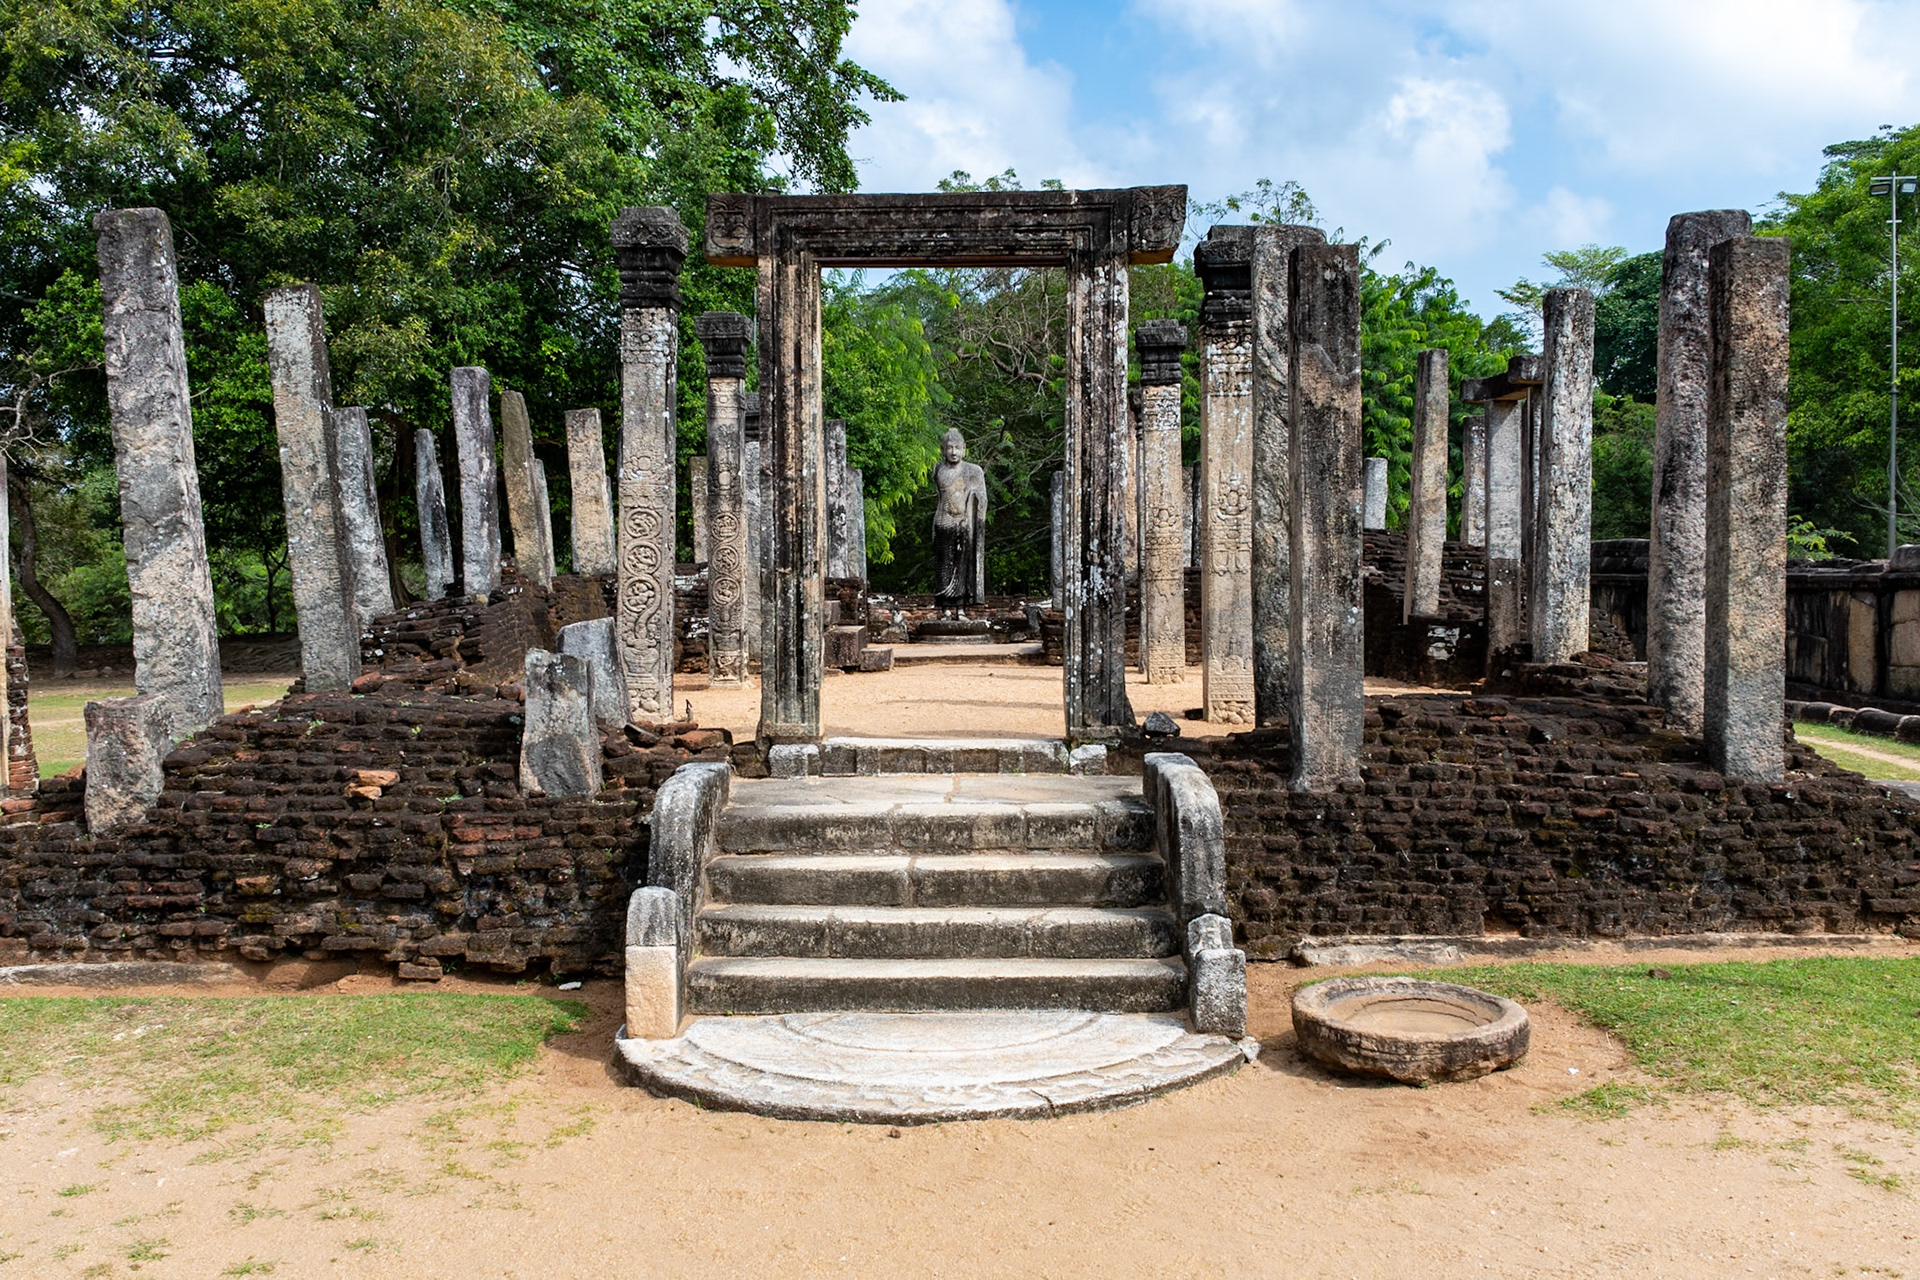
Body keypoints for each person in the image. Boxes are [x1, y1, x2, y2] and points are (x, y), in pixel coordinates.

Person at [930, 429, 987, 615]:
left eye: (957, 448)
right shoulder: (938, 469)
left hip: (963, 523)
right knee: (943, 565)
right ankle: (946, 608)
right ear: (942, 450)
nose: (953, 452)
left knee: (962, 565)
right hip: (942, 522)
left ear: (964, 449)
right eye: (949, 448)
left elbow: (981, 498)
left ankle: (961, 608)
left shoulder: (973, 471)